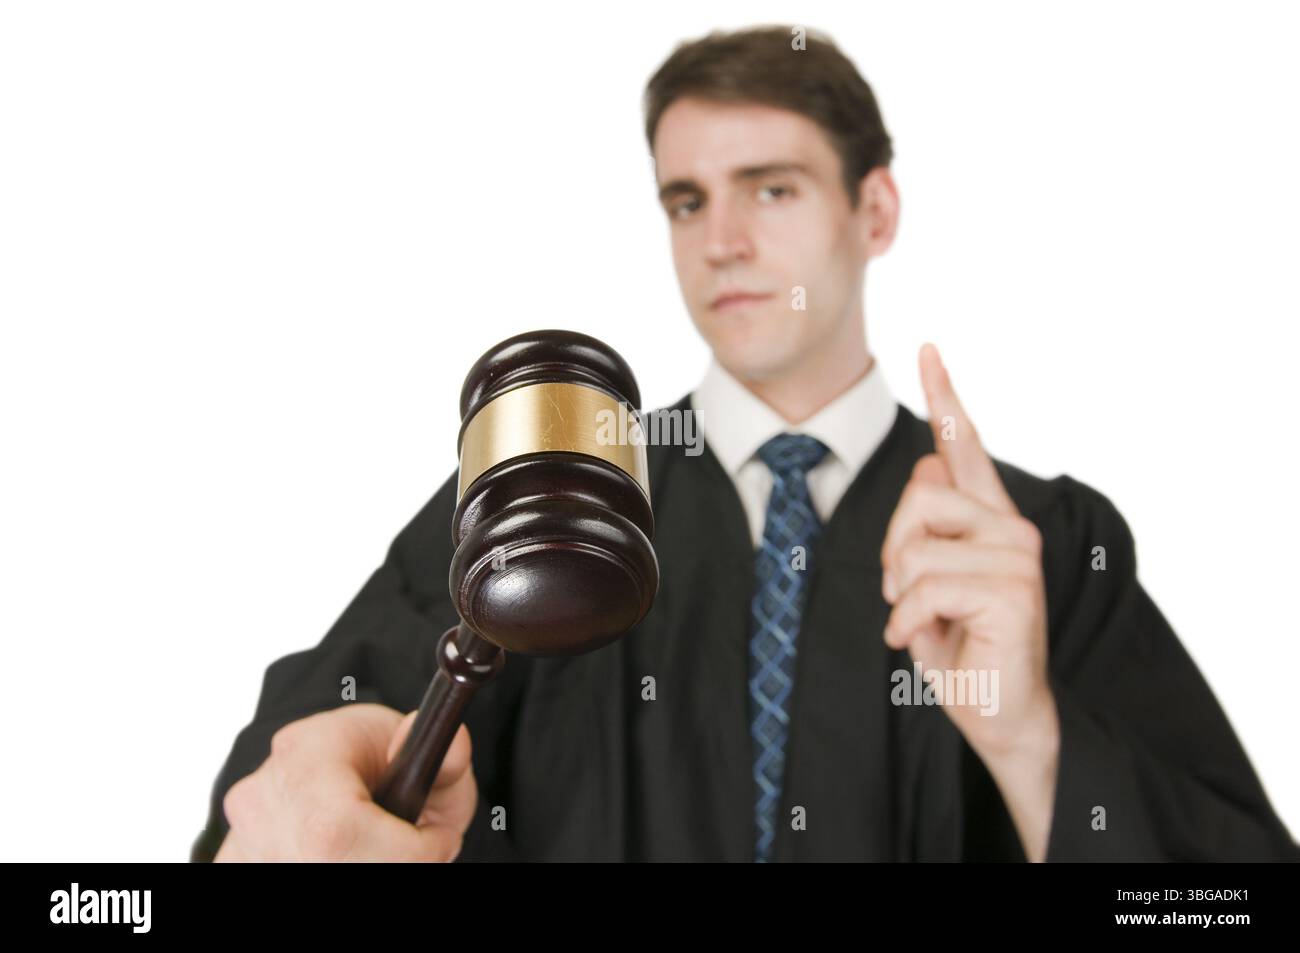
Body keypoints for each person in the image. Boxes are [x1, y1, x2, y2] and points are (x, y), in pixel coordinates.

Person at [193, 24, 1299, 863]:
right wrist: (304, 806)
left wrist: (1034, 743)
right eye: (685, 200)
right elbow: (287, 790)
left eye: (771, 189)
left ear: (874, 212)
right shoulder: (546, 503)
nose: (720, 242)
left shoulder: (1030, 543)